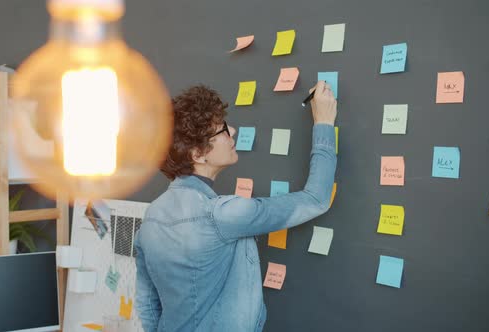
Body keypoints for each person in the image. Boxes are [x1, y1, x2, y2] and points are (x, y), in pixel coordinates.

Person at [135, 80, 338, 332]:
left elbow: (147, 305)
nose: (233, 130)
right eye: (221, 130)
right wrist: (324, 123)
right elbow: (316, 199)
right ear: (198, 154)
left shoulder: (151, 216)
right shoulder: (223, 214)